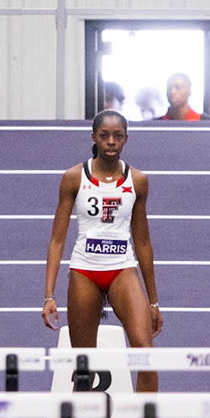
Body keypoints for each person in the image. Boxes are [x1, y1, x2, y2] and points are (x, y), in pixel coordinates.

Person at [41, 110, 161, 393]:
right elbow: (57, 240)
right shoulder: (73, 178)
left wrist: (154, 302)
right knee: (84, 365)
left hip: (122, 268)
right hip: (85, 271)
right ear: (93, 137)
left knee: (145, 350)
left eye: (117, 136)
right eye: (104, 136)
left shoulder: (138, 181)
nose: (110, 142)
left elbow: (143, 242)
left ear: (126, 140)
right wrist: (49, 294)